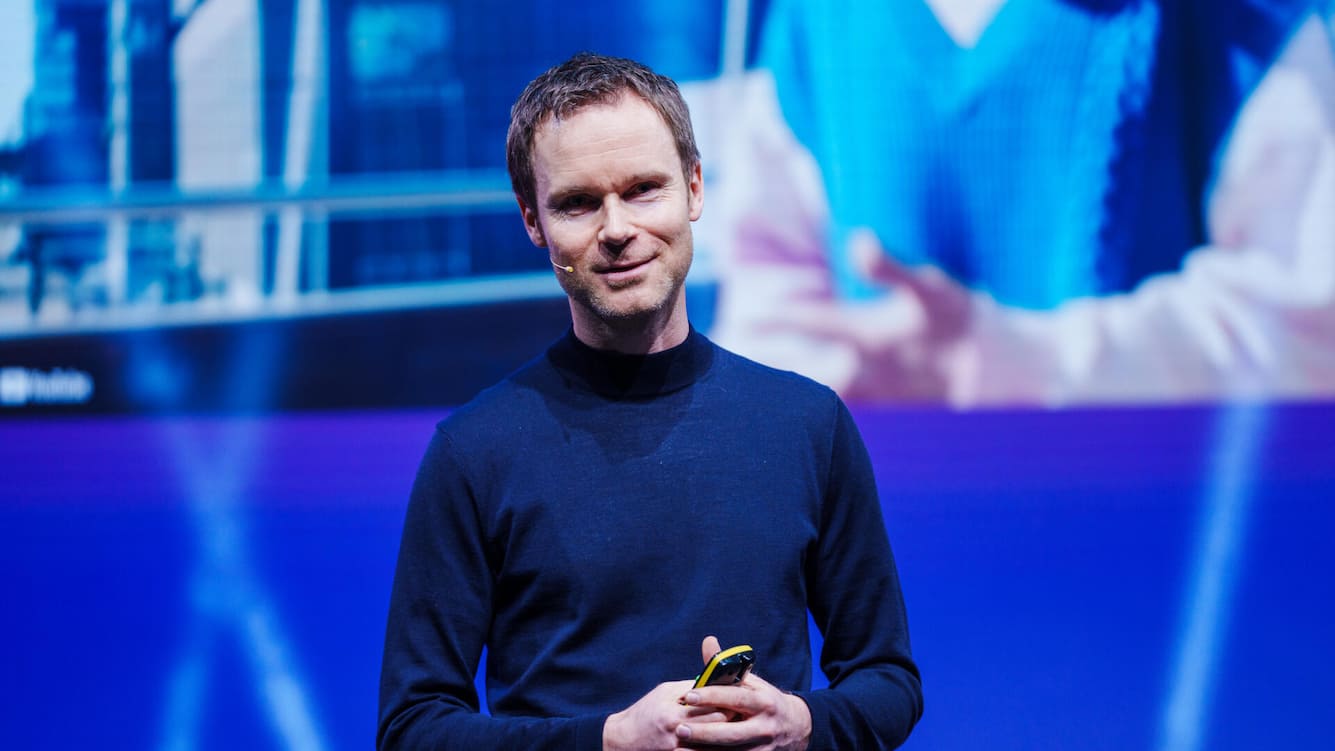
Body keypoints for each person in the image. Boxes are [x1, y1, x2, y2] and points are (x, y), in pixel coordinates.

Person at [376, 53, 923, 751]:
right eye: (577, 203)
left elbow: (887, 679)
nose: (615, 228)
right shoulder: (474, 452)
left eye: (642, 189)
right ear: (533, 221)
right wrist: (608, 741)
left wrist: (802, 725)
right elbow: (413, 727)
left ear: (693, 188)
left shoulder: (808, 425)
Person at [710, 0, 1335, 406]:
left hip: (1158, 546)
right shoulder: (814, 25)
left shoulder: (1245, 23)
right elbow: (770, 327)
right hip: (903, 547)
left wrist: (1022, 365)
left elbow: (1309, 331)